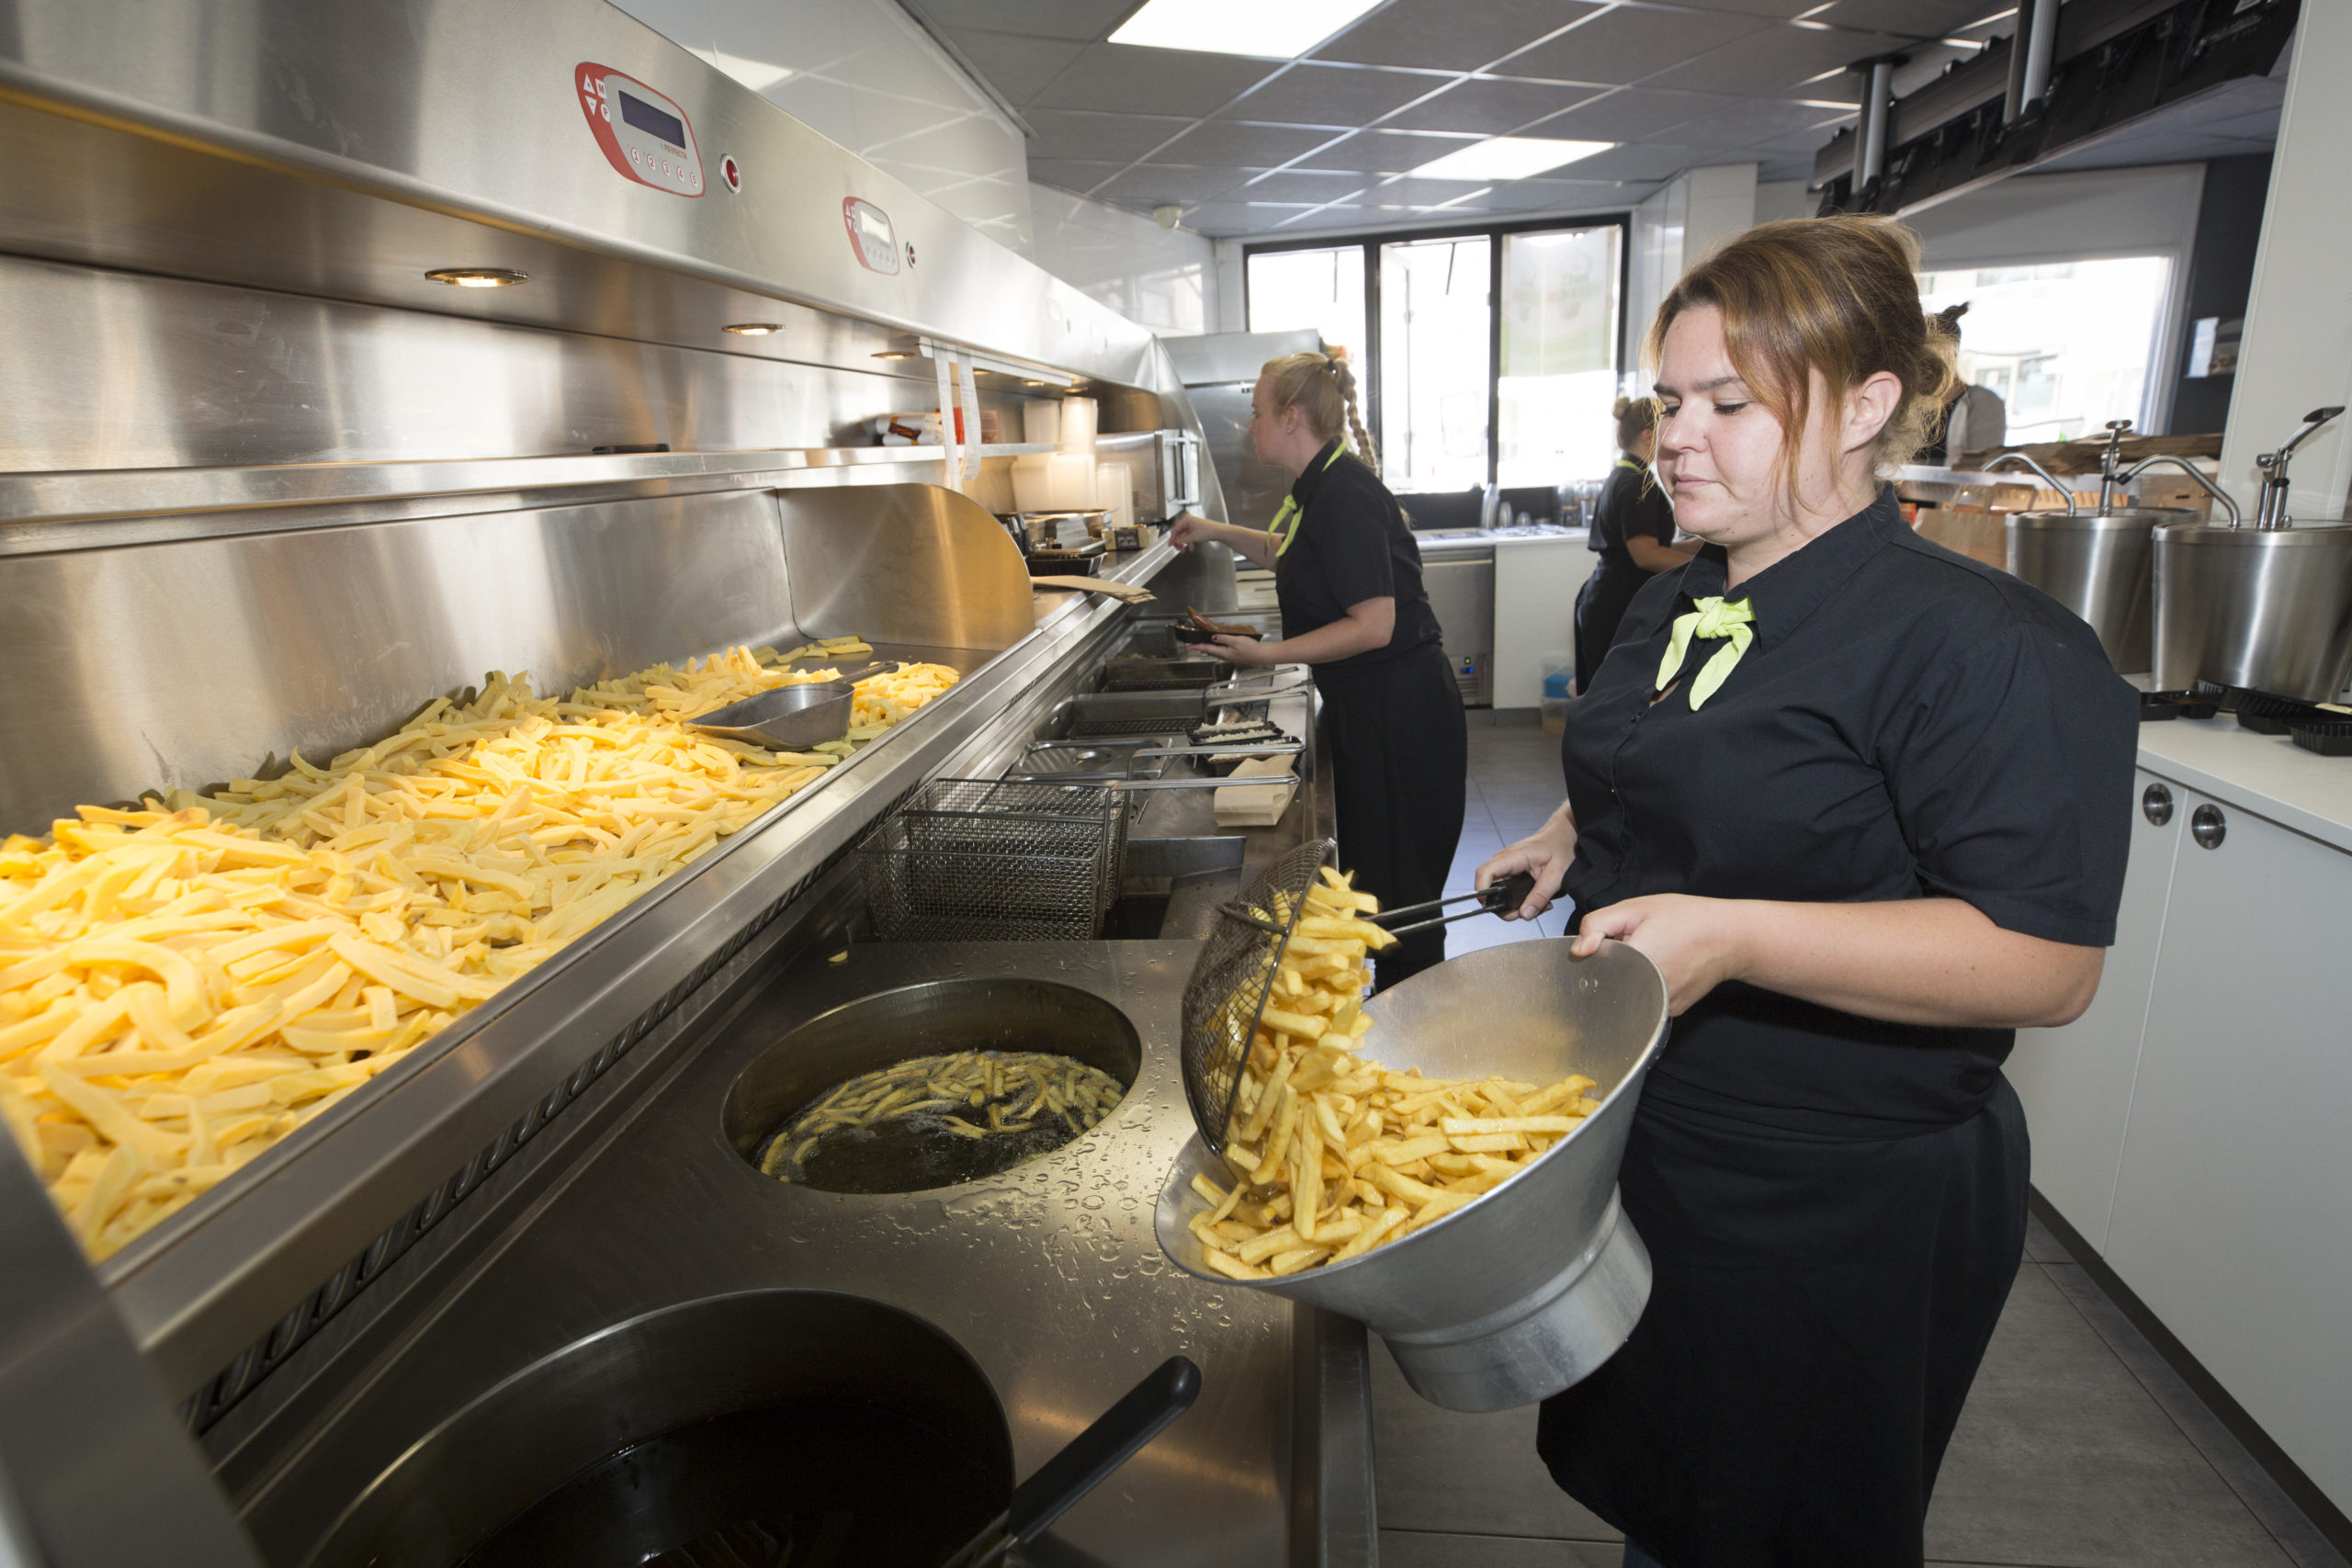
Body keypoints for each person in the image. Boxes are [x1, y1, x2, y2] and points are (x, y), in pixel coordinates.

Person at [1476, 217, 2137, 1567]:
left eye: (1729, 403)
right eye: (1669, 400)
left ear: (1869, 405)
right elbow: (1678, 761)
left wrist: (1734, 934)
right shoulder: (1682, 601)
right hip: (1661, 1139)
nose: (1676, 435)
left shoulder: (1990, 649)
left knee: (1777, 1524)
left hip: (1834, 1198)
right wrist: (1568, 828)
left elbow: (2046, 958)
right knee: (1675, 1504)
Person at [1170, 351, 1466, 990]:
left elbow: (1374, 623)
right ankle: (1387, 1036)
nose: (1252, 426)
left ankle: (1413, 1044)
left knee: (1403, 906)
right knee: (1378, 892)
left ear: (1293, 416)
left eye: (1257, 413)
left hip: (1401, 717)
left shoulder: (1347, 494)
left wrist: (1266, 654)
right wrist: (1215, 529)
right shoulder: (1319, 486)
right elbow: (1291, 554)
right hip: (1372, 710)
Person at [1574, 396, 1700, 693]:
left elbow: (1645, 545)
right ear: (1647, 435)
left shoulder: (1624, 474)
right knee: (1611, 695)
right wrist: (1703, 565)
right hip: (1616, 603)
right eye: (1666, 424)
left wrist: (1693, 547)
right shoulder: (1634, 484)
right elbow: (1644, 555)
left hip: (1606, 594)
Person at [1920, 301, 2007, 462]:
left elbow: (1982, 469)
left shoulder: (1984, 403)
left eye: (1928, 356)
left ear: (1951, 354)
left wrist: (1909, 487)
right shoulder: (1906, 404)